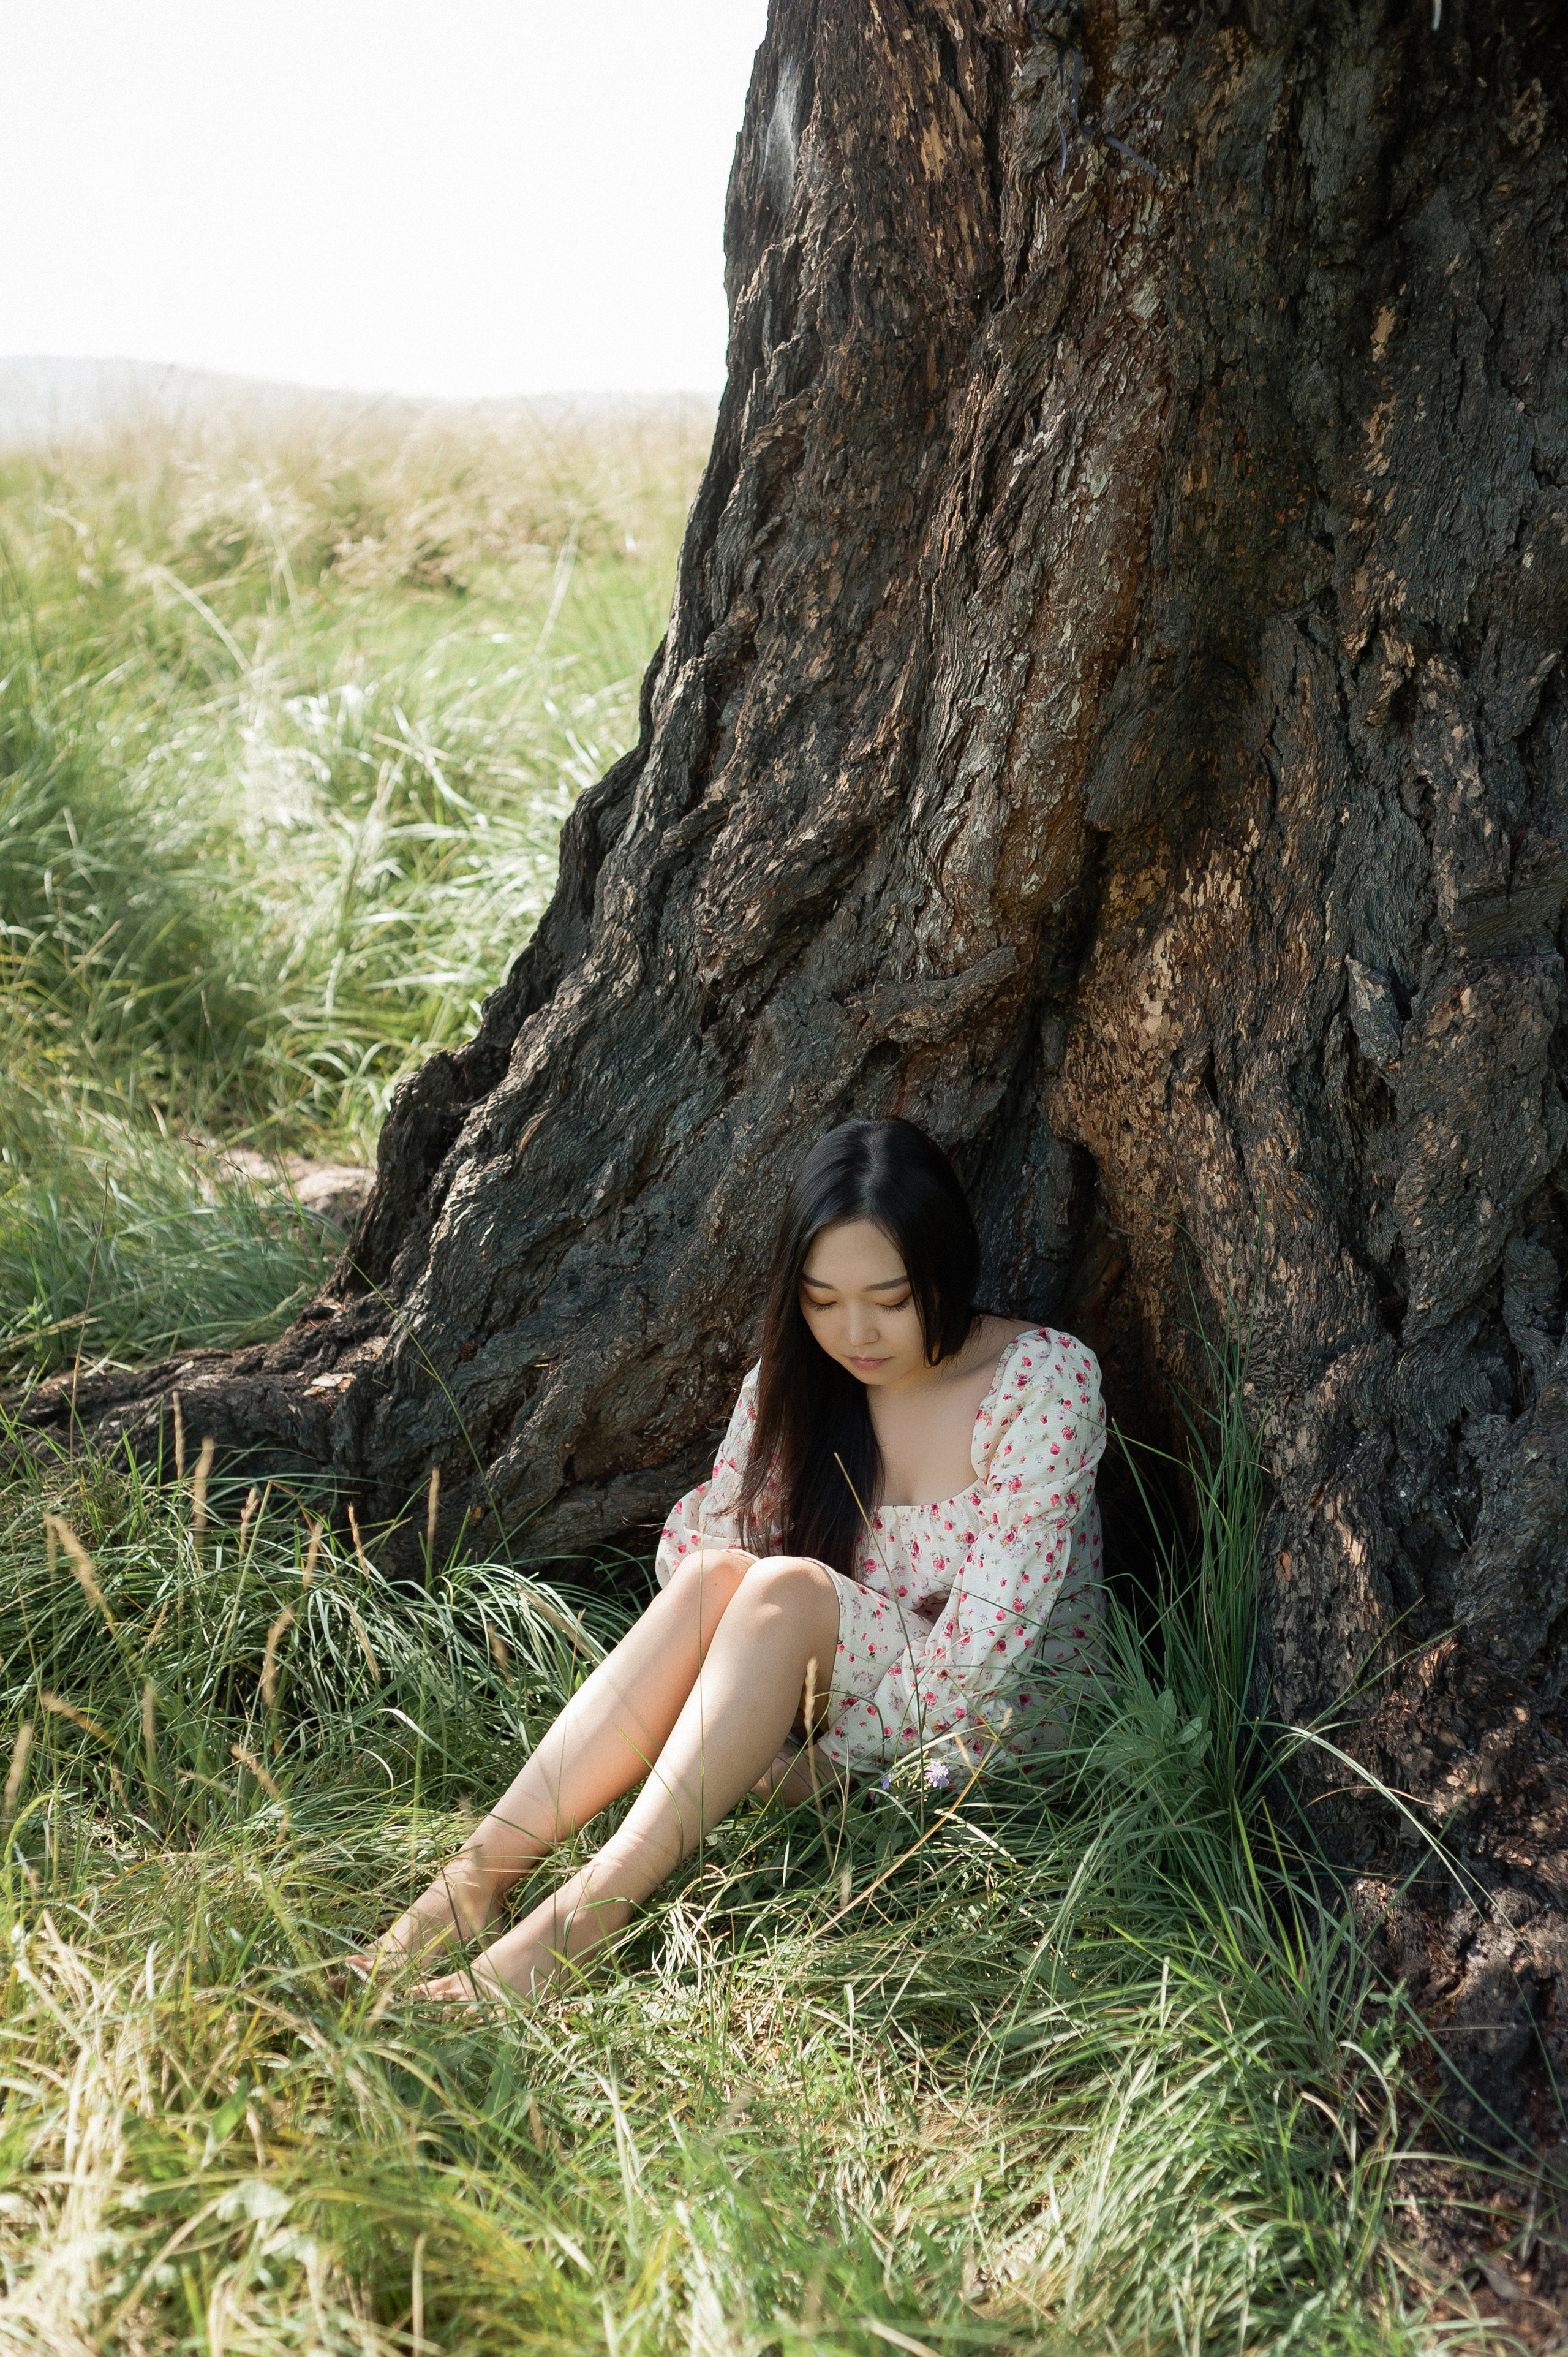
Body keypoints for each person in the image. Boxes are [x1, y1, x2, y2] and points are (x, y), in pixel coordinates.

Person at [352, 1116, 1106, 2003]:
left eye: (891, 1300)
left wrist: (826, 1770)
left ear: (946, 1267)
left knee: (783, 1586)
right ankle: (470, 1884)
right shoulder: (804, 1381)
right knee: (719, 1574)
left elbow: (986, 1653)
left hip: (981, 1743)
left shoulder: (1041, 1382)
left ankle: (584, 1918)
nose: (855, 1333)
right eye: (821, 1301)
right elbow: (707, 1557)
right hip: (830, 1719)